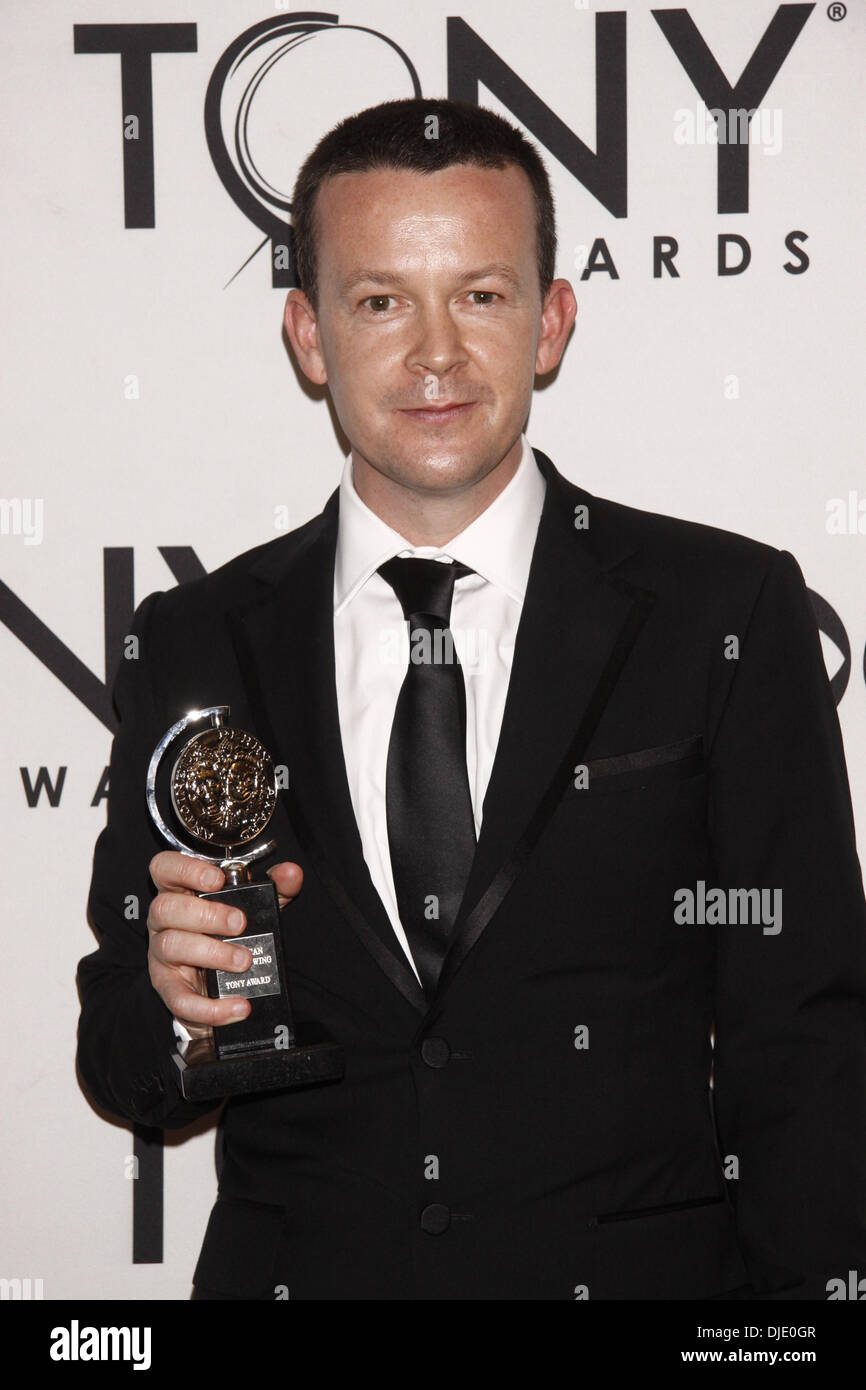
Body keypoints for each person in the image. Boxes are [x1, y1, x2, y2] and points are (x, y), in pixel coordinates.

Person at [76, 97, 866, 1301]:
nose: (434, 354)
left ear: (549, 322)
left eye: (481, 295)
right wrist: (178, 1009)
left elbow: (806, 1047)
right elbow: (118, 1062)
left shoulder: (725, 608)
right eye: (380, 300)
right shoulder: (194, 640)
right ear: (307, 334)